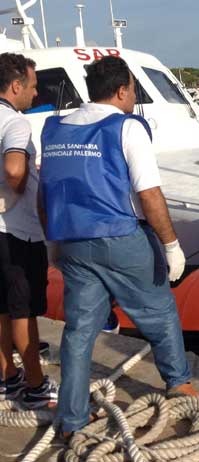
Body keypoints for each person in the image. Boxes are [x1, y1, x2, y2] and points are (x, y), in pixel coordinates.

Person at [38, 56, 194, 436]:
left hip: (72, 242)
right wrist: (171, 245)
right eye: (132, 91)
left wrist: (53, 243)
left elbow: (46, 192)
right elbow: (149, 194)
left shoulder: (53, 128)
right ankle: (179, 383)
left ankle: (72, 418)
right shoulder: (127, 128)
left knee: (78, 332)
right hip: (119, 237)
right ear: (123, 90)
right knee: (159, 311)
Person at [0, 53, 57, 409]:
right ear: (16, 85)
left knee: (2, 308)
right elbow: (14, 168)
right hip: (17, 232)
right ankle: (35, 385)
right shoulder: (17, 124)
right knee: (24, 311)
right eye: (33, 86)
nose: (35, 94)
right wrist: (13, 193)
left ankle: (7, 377)